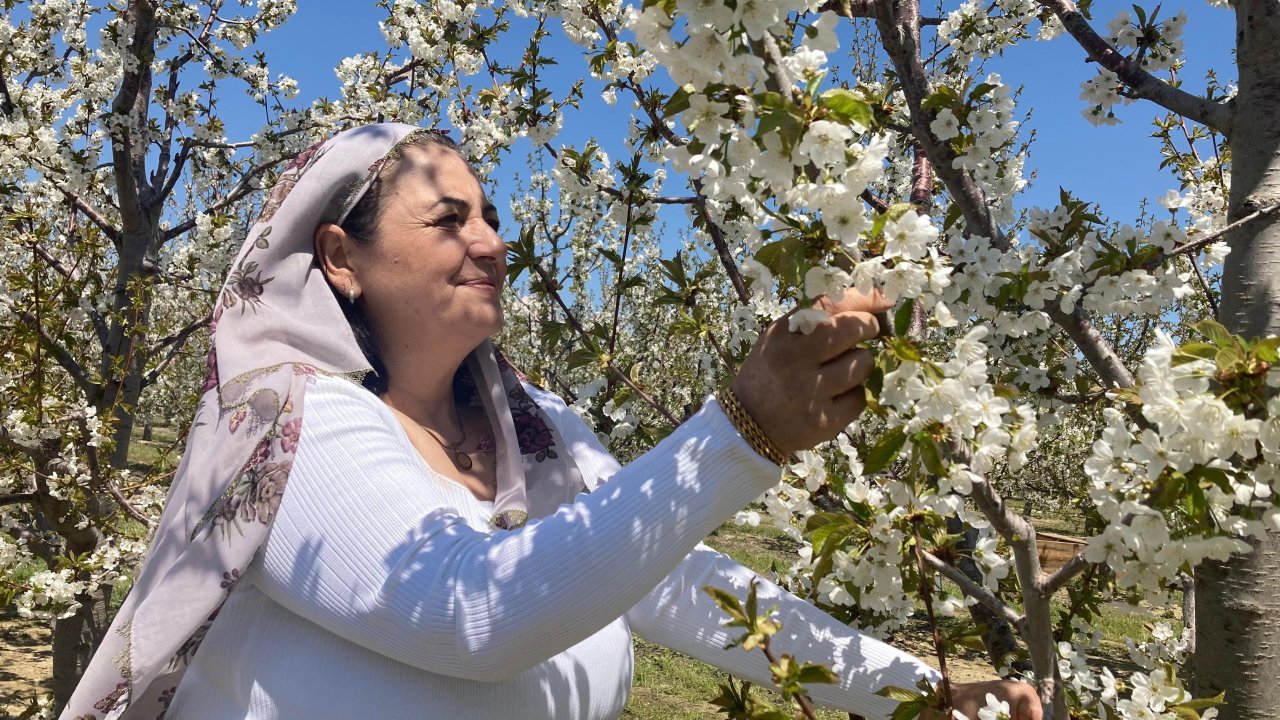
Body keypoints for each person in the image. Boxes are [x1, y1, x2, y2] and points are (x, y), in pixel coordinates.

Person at [64, 123, 1040, 720]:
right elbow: (470, 614)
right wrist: (743, 432)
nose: (491, 243)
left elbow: (676, 577)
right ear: (340, 258)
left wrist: (913, 691)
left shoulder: (532, 427)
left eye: (489, 216)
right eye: (448, 220)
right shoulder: (287, 427)